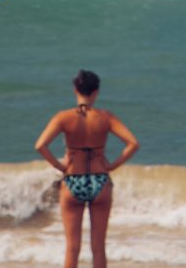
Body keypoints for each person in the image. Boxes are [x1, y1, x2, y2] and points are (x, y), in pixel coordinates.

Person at [35, 70, 139, 268]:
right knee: (98, 247)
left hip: (73, 179)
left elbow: (40, 145)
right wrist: (111, 165)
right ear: (96, 92)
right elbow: (133, 143)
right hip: (100, 180)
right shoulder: (106, 117)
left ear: (75, 90)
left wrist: (60, 166)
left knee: (72, 248)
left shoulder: (63, 117)